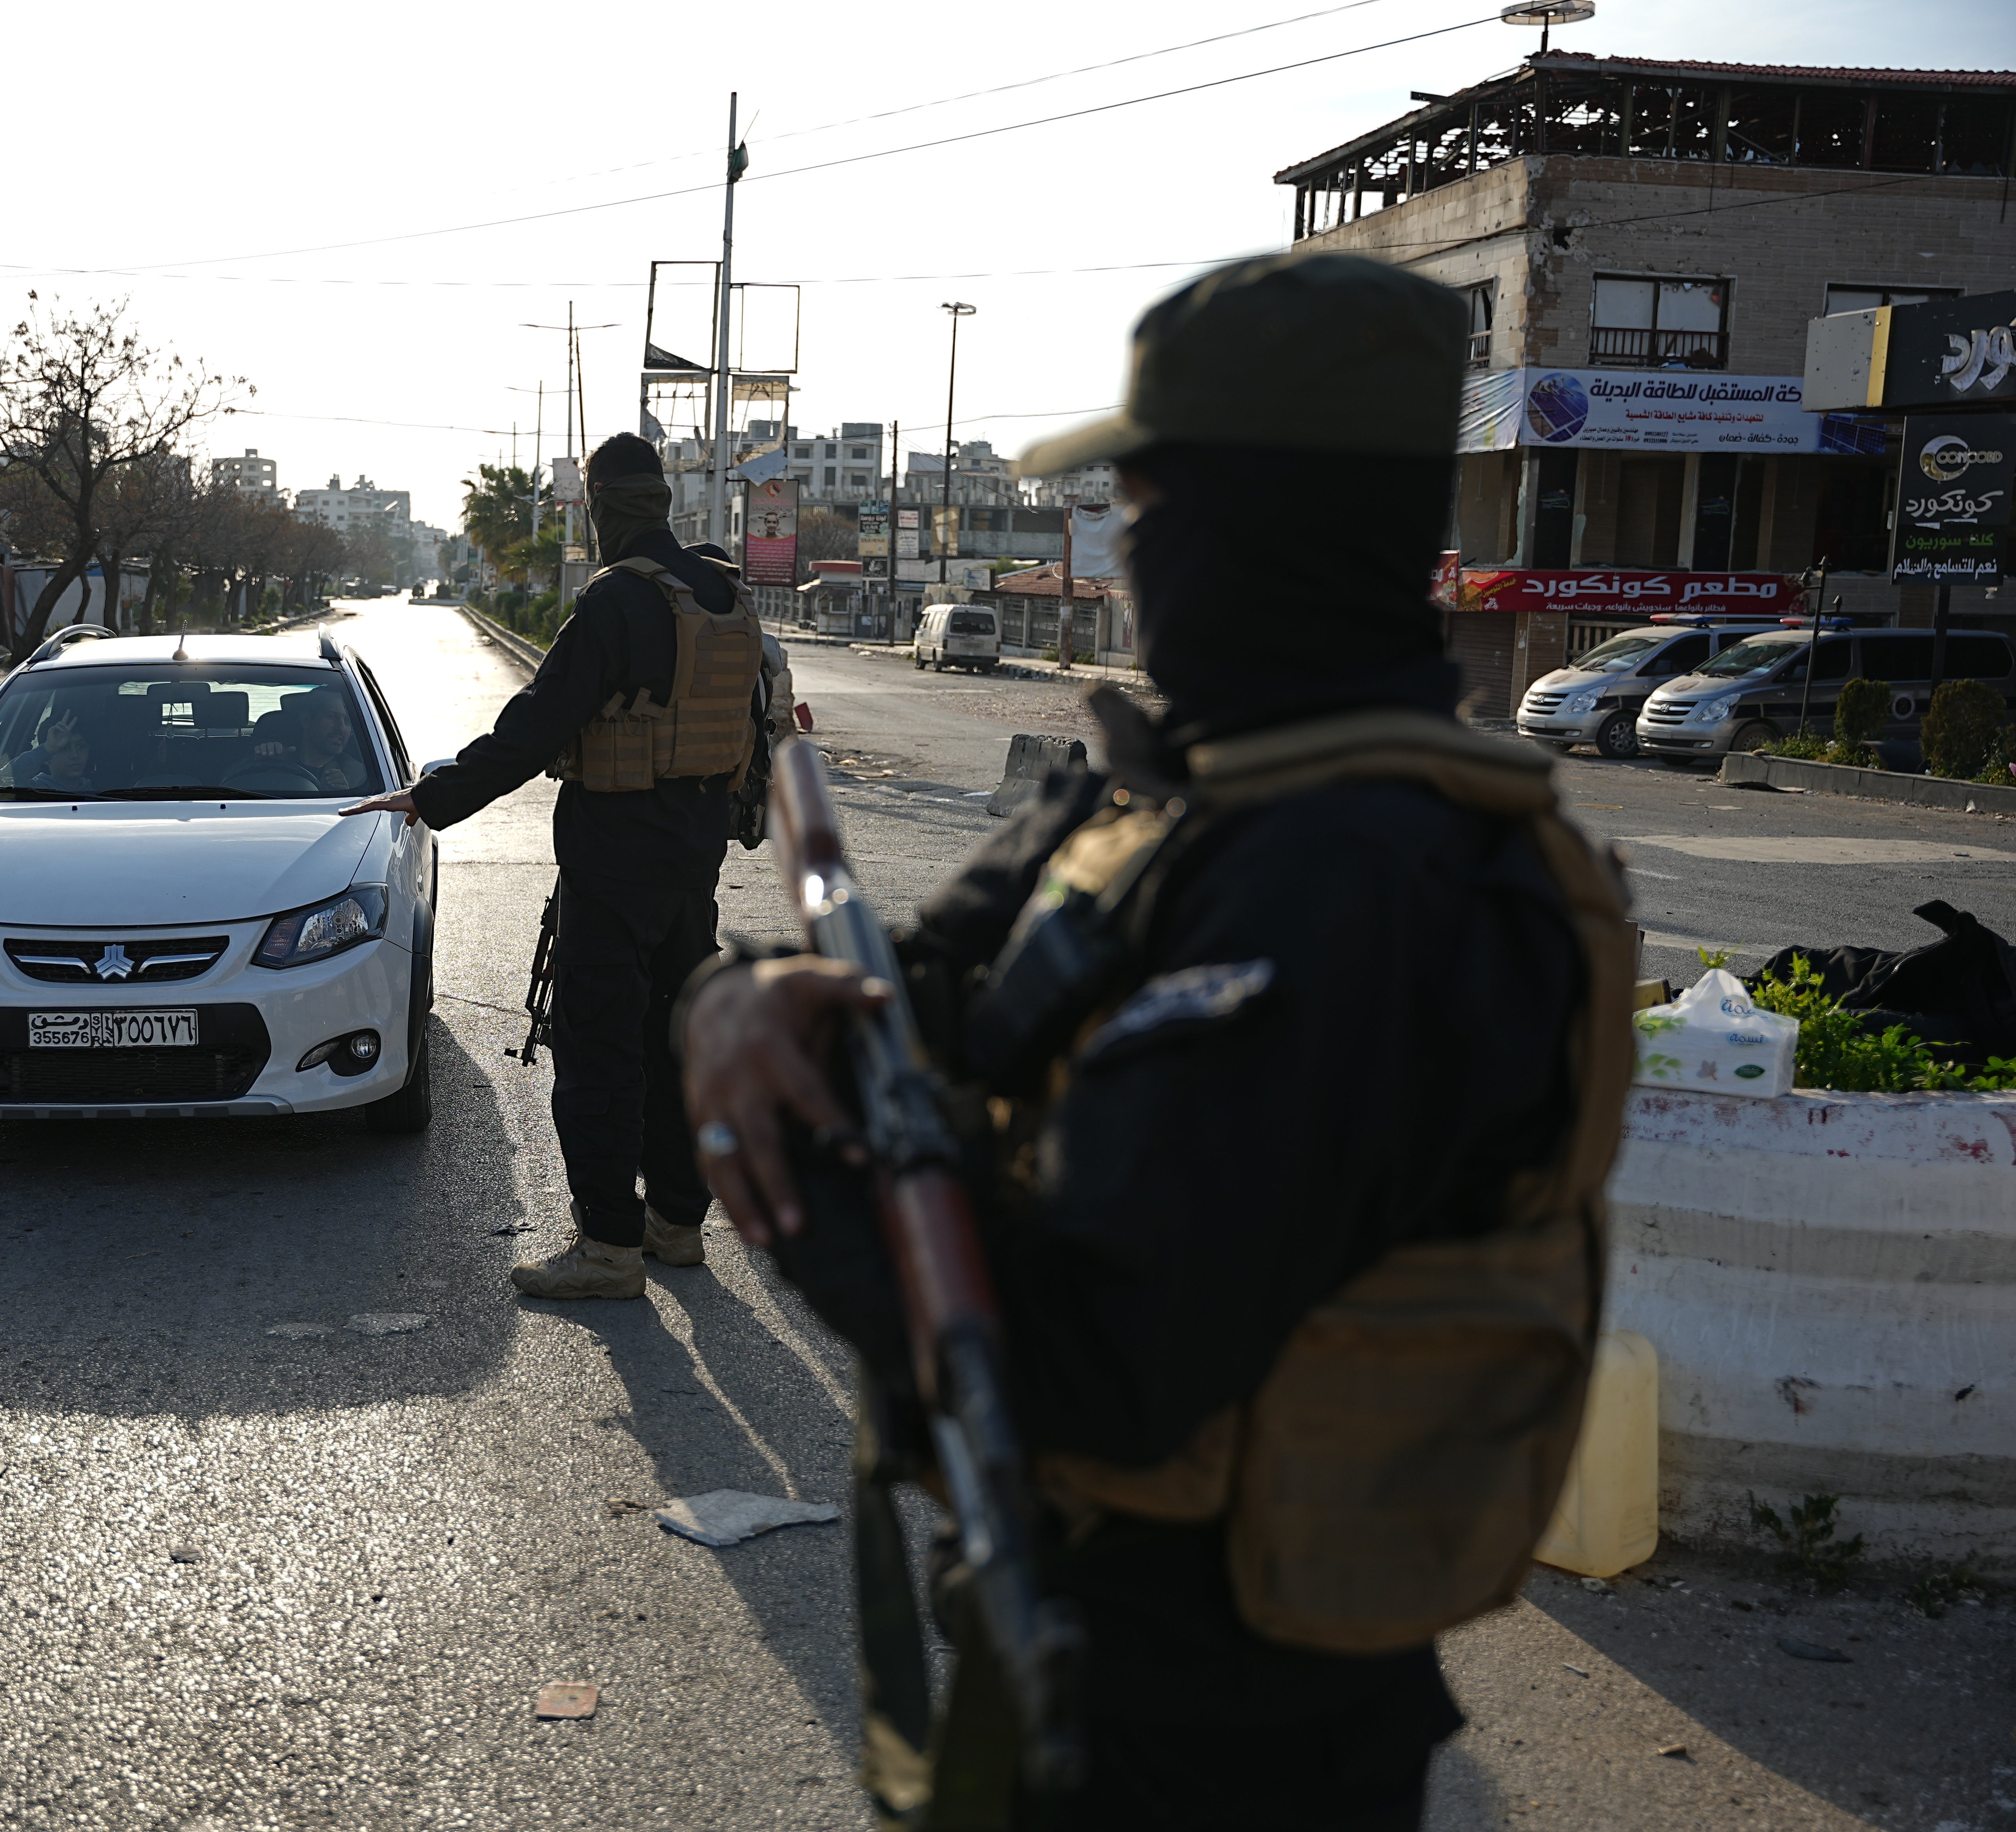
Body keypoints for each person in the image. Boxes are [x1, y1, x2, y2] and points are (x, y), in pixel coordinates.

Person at [679, 252, 1630, 1828]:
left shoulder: (1370, 889)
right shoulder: (1172, 798)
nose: (1126, 557)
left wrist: (783, 1155)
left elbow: (1098, 1373)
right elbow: (919, 984)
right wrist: (741, 998)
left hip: (1237, 1732)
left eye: (1145, 507)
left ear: (1242, 521)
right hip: (1069, 1633)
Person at [347, 434, 764, 1299]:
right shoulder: (720, 589)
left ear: (603, 508)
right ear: (666, 503)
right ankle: (677, 1223)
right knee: (678, 1040)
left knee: (600, 1051)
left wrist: (433, 796)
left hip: (615, 865)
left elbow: (537, 726)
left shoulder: (617, 601)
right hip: (695, 859)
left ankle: (609, 1248)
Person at [253, 687, 369, 793]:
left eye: (347, 722)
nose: (342, 727)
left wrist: (342, 795)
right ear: (306, 720)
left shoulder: (359, 776)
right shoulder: (277, 756)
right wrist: (265, 765)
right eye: (332, 717)